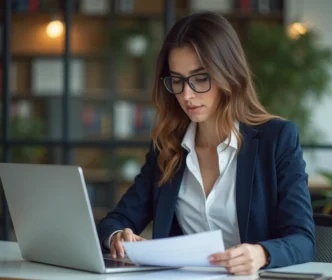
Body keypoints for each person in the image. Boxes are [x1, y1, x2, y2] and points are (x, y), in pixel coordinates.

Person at [97, 11, 315, 275]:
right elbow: (115, 221)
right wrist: (118, 237)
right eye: (177, 80)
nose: (186, 94)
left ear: (227, 73)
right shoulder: (168, 147)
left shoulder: (277, 139)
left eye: (200, 78)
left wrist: (261, 254)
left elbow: (303, 240)